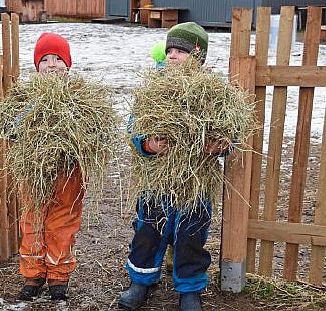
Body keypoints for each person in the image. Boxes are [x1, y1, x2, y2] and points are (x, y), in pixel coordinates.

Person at [119, 22, 229, 311]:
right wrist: (147, 145)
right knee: (148, 232)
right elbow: (133, 127)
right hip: (157, 181)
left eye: (180, 51)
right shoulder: (152, 90)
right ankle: (141, 281)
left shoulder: (213, 92)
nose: (172, 56)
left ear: (198, 56)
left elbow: (231, 130)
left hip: (196, 182)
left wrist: (221, 144)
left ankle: (190, 289)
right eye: (169, 50)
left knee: (192, 236)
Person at [17, 32, 84, 301]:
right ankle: (33, 274)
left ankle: (58, 274)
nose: (52, 64)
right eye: (45, 59)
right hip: (34, 172)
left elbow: (92, 132)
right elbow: (11, 128)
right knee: (32, 220)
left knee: (63, 221)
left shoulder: (79, 98)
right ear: (37, 66)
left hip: (69, 172)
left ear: (68, 65)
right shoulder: (25, 97)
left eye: (58, 59)